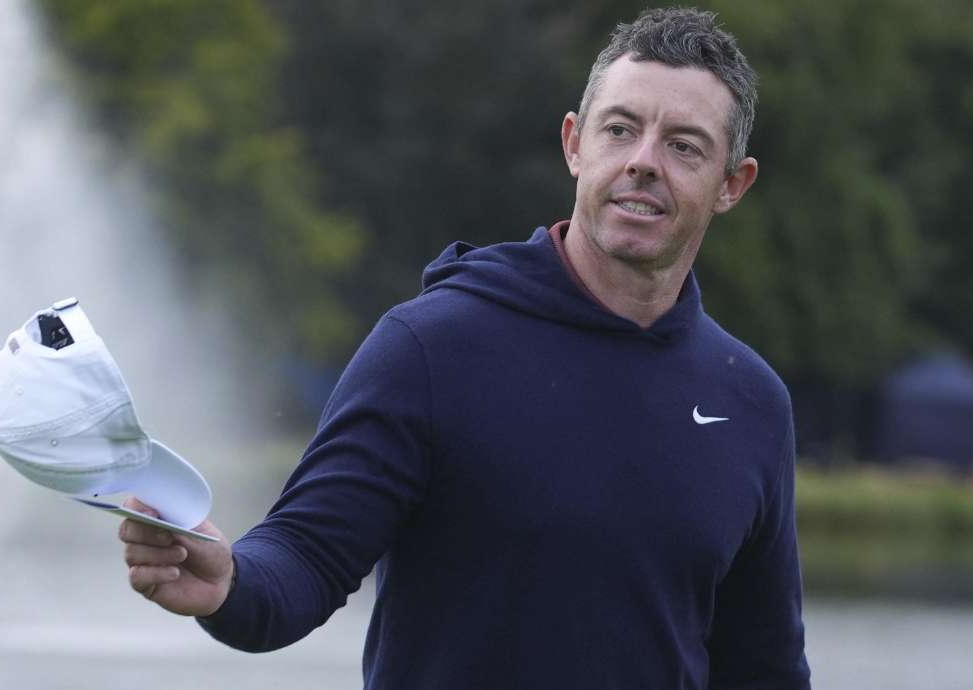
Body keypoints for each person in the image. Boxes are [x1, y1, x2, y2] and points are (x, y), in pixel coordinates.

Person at [119, 7, 811, 689]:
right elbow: (306, 553)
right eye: (620, 130)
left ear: (731, 185)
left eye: (683, 146)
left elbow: (764, 669)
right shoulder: (433, 347)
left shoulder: (749, 401)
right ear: (575, 143)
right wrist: (230, 583)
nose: (642, 163)